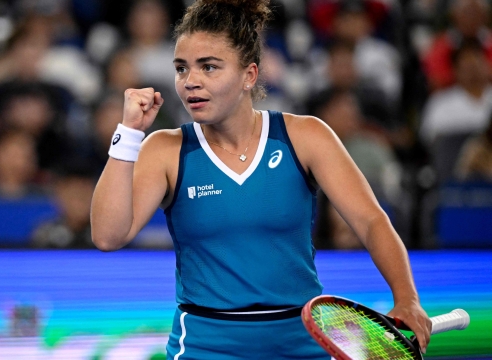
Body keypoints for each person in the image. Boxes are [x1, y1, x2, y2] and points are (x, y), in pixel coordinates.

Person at [90, 0, 432, 358]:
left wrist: (407, 298)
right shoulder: (164, 149)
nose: (191, 82)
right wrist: (128, 134)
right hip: (206, 345)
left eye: (209, 67)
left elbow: (371, 221)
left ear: (249, 75)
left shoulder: (306, 136)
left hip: (302, 341)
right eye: (181, 68)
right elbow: (108, 236)